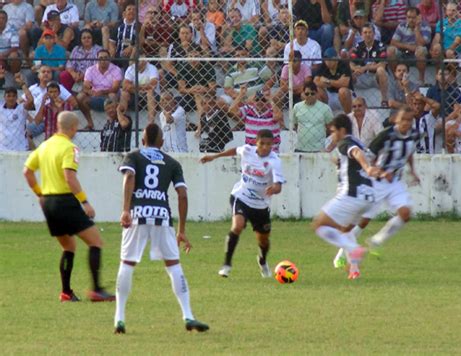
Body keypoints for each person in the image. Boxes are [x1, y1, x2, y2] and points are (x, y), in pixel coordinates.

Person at [114, 123, 209, 334]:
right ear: (162, 142)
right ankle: (188, 315)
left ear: (142, 140)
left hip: (137, 216)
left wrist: (125, 210)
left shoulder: (134, 156)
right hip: (162, 217)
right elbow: (182, 195)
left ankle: (119, 318)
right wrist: (182, 230)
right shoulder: (172, 162)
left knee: (127, 263)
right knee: (174, 265)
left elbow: (129, 177)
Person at [23, 111, 115, 302]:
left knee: (69, 246)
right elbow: (69, 177)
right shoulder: (70, 148)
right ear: (73, 127)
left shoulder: (44, 146)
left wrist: (40, 193)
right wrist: (85, 202)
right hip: (65, 201)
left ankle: (66, 292)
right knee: (95, 242)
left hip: (48, 203)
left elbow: (27, 172)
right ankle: (97, 290)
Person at [333, 107, 422, 270]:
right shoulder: (385, 136)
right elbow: (368, 157)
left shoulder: (414, 135)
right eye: (403, 119)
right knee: (361, 221)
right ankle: (341, 253)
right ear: (396, 119)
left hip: (394, 182)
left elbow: (408, 152)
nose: (406, 123)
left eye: (409, 120)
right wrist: (380, 172)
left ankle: (376, 241)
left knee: (405, 213)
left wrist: (413, 171)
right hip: (375, 181)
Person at [200, 129, 286, 278]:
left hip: (260, 205)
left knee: (263, 240)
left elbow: (279, 185)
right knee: (237, 226)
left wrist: (274, 189)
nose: (265, 147)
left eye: (268, 144)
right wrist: (214, 156)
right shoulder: (247, 150)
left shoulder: (274, 161)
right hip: (241, 197)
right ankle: (226, 265)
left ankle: (262, 260)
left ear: (272, 145)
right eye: (262, 144)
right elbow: (235, 150)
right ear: (256, 143)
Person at [312, 113, 382, 280]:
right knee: (345, 229)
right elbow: (359, 156)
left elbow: (356, 153)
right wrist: (343, 164)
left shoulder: (345, 143)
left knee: (319, 225)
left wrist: (366, 168)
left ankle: (352, 248)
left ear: (342, 130)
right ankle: (354, 269)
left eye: (333, 131)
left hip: (352, 194)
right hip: (369, 196)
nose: (332, 136)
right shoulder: (358, 142)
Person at [77, 50, 123, 130]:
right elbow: (86, 86)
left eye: (106, 58)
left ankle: (113, 122)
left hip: (108, 94)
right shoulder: (90, 70)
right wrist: (89, 91)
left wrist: (102, 92)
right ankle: (90, 123)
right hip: (94, 95)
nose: (103, 60)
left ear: (109, 59)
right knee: (80, 96)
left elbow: (115, 88)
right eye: (100, 58)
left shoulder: (116, 69)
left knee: (112, 96)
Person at [388, 7, 431, 84]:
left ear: (418, 17)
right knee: (390, 50)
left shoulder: (425, 26)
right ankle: (395, 79)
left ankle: (421, 79)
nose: (411, 20)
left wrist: (417, 29)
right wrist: (408, 46)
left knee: (421, 50)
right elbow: (393, 42)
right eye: (409, 17)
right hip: (403, 52)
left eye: (413, 17)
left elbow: (422, 43)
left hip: (418, 53)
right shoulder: (402, 25)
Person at [350, 23, 389, 107]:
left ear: (374, 34)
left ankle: (384, 99)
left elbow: (382, 65)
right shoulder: (358, 46)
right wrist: (355, 68)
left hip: (376, 78)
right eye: (365, 32)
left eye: (370, 32)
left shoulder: (380, 46)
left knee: (381, 70)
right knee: (349, 72)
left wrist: (365, 67)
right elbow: (351, 62)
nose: (367, 35)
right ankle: (353, 101)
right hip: (362, 77)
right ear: (361, 34)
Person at [292, 81, 333, 152]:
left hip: (319, 149)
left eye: (312, 93)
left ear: (317, 93)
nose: (309, 96)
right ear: (303, 94)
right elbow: (295, 125)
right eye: (307, 94)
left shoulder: (325, 108)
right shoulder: (296, 107)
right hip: (300, 148)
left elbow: (330, 128)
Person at [314, 47, 353, 114]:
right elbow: (316, 81)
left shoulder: (343, 65)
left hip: (347, 95)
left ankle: (349, 116)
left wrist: (327, 81)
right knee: (317, 90)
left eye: (329, 59)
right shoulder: (323, 66)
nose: (327, 62)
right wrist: (337, 82)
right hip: (330, 94)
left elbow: (345, 84)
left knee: (342, 91)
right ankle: (326, 115)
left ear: (335, 58)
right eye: (326, 59)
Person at [0, 77, 33, 151]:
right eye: (8, 96)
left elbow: (31, 100)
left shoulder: (22, 108)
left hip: (20, 147)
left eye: (13, 96)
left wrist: (23, 85)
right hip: (2, 147)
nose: (11, 98)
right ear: (4, 97)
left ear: (17, 97)